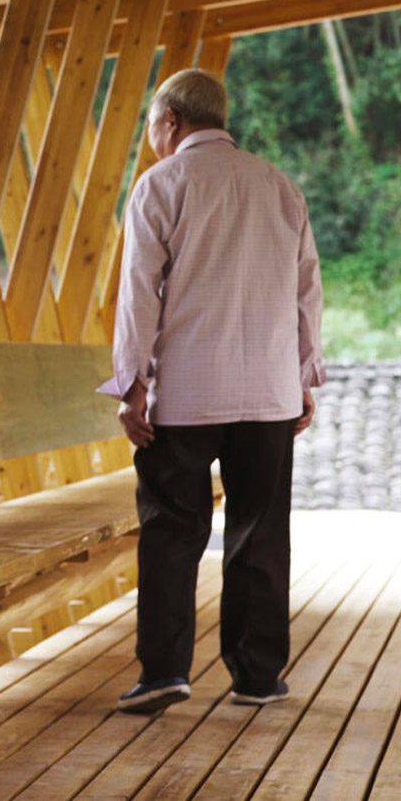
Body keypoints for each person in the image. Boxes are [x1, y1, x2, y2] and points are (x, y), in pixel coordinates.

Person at [101, 67, 324, 715]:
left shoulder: (161, 185)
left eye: (151, 124)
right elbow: (306, 290)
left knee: (172, 528)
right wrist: (304, 377)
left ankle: (166, 670)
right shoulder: (279, 186)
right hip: (266, 395)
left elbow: (139, 293)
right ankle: (257, 675)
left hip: (187, 396)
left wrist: (131, 384)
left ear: (170, 120)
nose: (150, 136)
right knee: (260, 530)